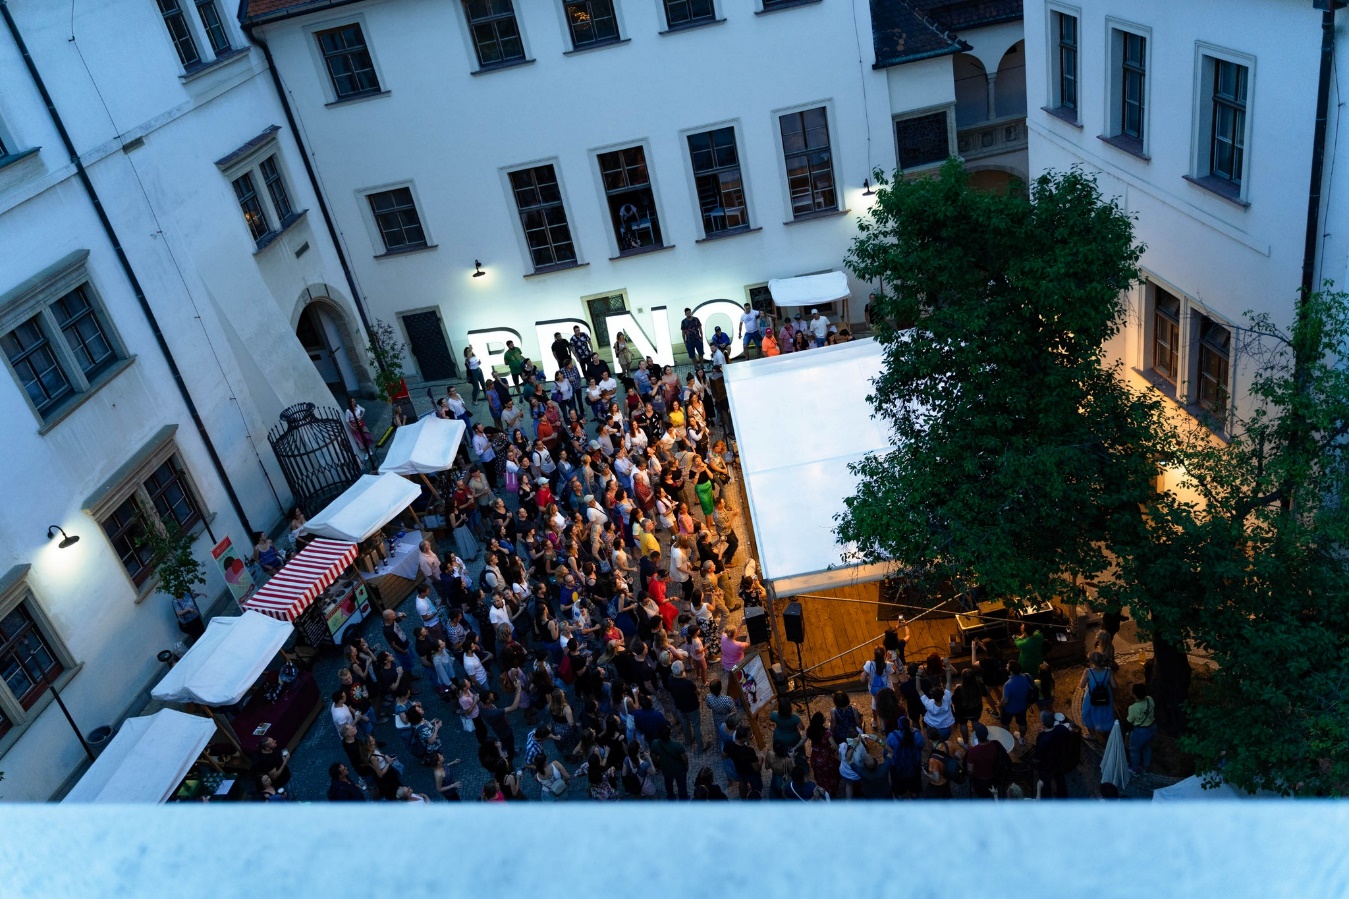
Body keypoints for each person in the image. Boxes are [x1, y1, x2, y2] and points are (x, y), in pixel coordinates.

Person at [962, 722, 1009, 799]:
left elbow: (969, 770)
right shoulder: (996, 744)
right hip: (994, 775)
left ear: (977, 737)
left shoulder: (972, 751)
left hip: (979, 779)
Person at [1079, 652, 1117, 742]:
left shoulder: (1088, 672)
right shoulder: (1109, 670)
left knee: (1089, 715)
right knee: (1104, 714)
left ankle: (1092, 735)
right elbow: (1114, 686)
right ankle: (1104, 731)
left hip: (1091, 698)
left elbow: (1082, 685)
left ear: (1091, 661)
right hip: (1105, 696)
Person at [649, 724, 690, 800]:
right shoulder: (677, 745)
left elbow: (653, 756)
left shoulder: (655, 743)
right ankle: (683, 797)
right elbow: (684, 758)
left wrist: (660, 763)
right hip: (679, 769)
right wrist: (686, 766)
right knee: (681, 784)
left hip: (666, 768)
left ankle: (671, 796)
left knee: (668, 783)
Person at [920, 658, 957, 738]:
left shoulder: (924, 670)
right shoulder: (941, 670)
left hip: (931, 693)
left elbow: (918, 688)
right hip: (940, 693)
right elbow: (953, 673)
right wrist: (947, 664)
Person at [861, 646, 895, 732]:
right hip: (887, 689)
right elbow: (893, 671)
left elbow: (862, 679)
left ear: (874, 654)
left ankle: (875, 721)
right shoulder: (887, 665)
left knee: (875, 703)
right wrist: (890, 659)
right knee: (887, 704)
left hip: (875, 690)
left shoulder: (869, 664)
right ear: (884, 655)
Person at [724, 725, 762, 798]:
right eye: (749, 736)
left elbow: (724, 756)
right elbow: (756, 769)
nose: (750, 736)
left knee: (742, 782)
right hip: (751, 773)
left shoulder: (729, 744)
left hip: (739, 770)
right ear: (743, 738)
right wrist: (761, 759)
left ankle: (743, 798)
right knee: (756, 787)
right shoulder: (749, 751)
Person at [1127, 683, 1157, 774]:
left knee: (1134, 750)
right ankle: (1146, 768)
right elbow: (1154, 706)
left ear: (1134, 695)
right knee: (1147, 748)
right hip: (1152, 728)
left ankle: (1135, 769)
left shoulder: (1133, 708)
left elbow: (1130, 720)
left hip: (1140, 732)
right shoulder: (1149, 699)